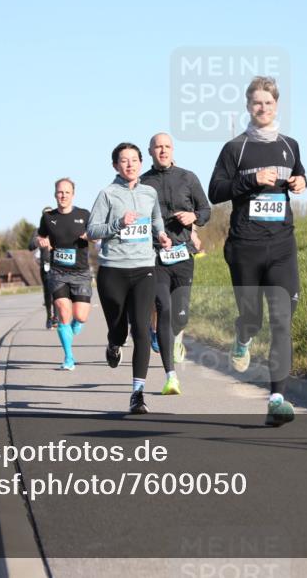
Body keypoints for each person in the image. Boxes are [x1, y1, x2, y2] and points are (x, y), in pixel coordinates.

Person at [208, 76, 307, 426]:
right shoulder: (235, 148)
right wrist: (251, 180)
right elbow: (215, 191)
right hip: (245, 247)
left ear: (276, 105)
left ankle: (277, 399)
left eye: (268, 102)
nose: (262, 108)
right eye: (256, 103)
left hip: (281, 245)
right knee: (253, 318)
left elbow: (299, 175)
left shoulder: (290, 145)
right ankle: (243, 334)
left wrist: (301, 181)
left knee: (282, 321)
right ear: (248, 106)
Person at [87, 142, 173, 414]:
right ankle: (114, 343)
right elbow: (92, 230)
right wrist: (118, 224)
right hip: (113, 270)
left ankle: (138, 393)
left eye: (134, 160)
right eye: (124, 160)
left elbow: (156, 220)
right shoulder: (107, 194)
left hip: (144, 268)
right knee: (119, 330)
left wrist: (161, 235)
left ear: (140, 163)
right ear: (115, 165)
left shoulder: (149, 192)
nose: (130, 164)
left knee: (142, 330)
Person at [140, 133, 211, 394]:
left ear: (172, 150)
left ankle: (174, 336)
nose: (163, 150)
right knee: (164, 308)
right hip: (154, 255)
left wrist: (194, 217)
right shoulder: (142, 183)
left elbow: (206, 210)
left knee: (180, 316)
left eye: (167, 146)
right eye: (158, 147)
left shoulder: (188, 177)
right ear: (150, 151)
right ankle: (171, 377)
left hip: (183, 255)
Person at [36, 179, 92, 371]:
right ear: (55, 194)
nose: (63, 195)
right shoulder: (48, 217)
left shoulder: (84, 214)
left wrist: (90, 236)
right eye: (60, 192)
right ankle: (68, 358)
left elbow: (96, 234)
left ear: (73, 194)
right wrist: (42, 241)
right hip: (58, 272)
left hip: (81, 272)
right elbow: (40, 236)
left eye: (67, 192)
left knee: (81, 316)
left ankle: (76, 324)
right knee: (63, 313)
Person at [32, 206, 58, 330]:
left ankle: (56, 317)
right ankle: (49, 316)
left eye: (50, 214)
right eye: (45, 215)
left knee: (57, 290)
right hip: (46, 264)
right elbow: (30, 245)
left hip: (58, 263)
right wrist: (38, 241)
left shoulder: (58, 227)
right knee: (48, 292)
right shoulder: (38, 231)